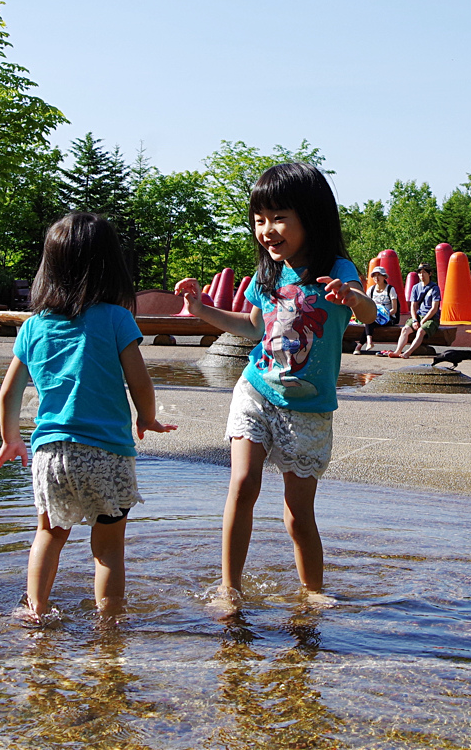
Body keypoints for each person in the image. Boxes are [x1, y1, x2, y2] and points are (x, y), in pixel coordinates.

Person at [173, 162, 375, 609]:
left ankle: (313, 593)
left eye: (279, 217)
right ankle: (230, 587)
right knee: (242, 483)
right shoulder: (268, 275)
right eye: (260, 220)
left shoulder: (337, 269)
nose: (267, 230)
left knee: (297, 515)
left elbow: (370, 315)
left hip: (307, 407)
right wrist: (202, 310)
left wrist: (352, 297)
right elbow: (251, 327)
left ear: (313, 216)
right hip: (256, 390)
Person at [0, 213, 178, 626]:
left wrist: (10, 439)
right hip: (106, 454)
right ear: (111, 266)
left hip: (49, 453)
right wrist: (146, 419)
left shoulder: (33, 327)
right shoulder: (115, 318)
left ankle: (35, 614)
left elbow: (8, 393)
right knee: (108, 548)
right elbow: (140, 382)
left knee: (49, 535)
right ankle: (109, 629)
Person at [387, 263, 440, 358]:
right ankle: (397, 351)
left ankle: (408, 352)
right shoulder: (416, 287)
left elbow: (434, 308)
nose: (421, 275)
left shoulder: (435, 288)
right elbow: (413, 306)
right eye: (420, 273)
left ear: (430, 274)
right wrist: (415, 320)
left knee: (420, 331)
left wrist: (423, 321)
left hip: (431, 318)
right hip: (419, 316)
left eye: (424, 272)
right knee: (405, 329)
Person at [354, 266, 397, 354]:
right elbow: (367, 306)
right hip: (374, 317)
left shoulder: (390, 289)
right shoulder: (371, 290)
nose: (376, 278)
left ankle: (361, 345)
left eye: (379, 275)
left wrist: (384, 314)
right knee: (370, 320)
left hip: (388, 317)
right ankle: (366, 343)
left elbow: (394, 309)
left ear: (384, 277)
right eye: (374, 276)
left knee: (370, 321)